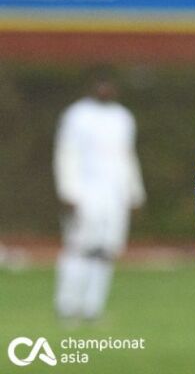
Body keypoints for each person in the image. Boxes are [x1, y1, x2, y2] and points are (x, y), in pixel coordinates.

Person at [54, 72, 145, 323]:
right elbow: (66, 154)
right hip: (86, 192)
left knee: (107, 251)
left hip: (114, 195)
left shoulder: (123, 118)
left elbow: (127, 156)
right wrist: (68, 191)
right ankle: (67, 306)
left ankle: (92, 308)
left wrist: (134, 193)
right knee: (79, 247)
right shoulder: (77, 115)